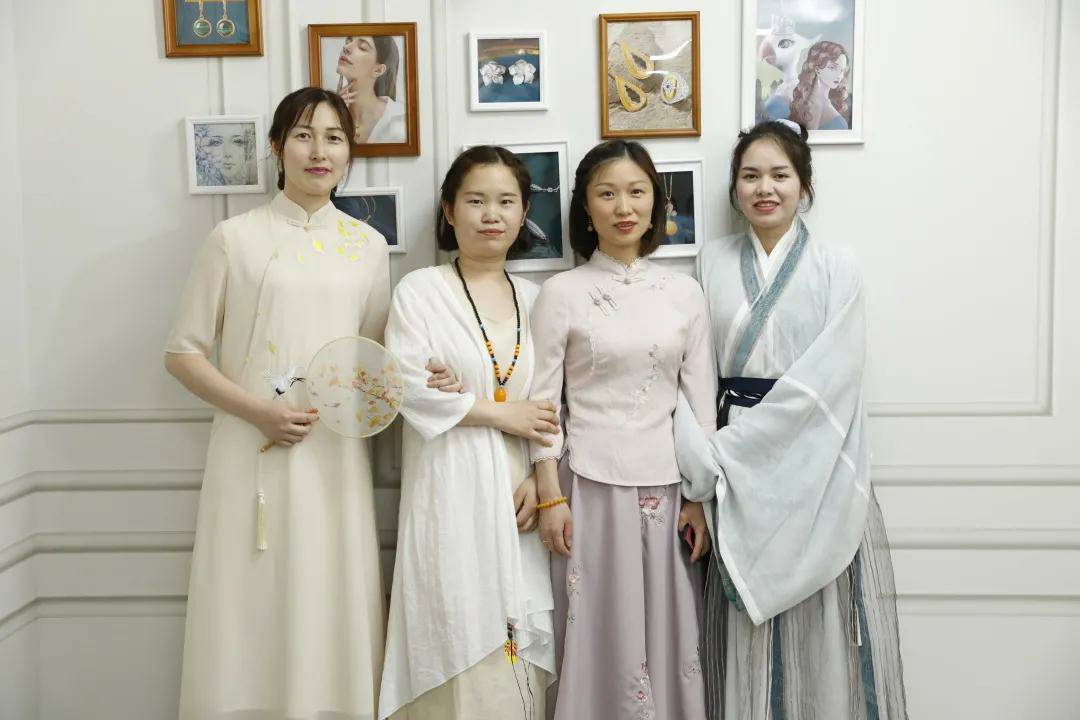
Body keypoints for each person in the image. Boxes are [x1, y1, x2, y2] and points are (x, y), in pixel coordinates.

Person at [165, 87, 390, 720]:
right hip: (250, 451)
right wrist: (258, 411)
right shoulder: (233, 239)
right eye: (303, 135)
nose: (319, 151)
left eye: (335, 138)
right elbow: (182, 353)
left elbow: (372, 360)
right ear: (276, 146)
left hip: (334, 457)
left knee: (328, 591)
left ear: (349, 153)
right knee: (248, 599)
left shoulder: (368, 246)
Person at [673, 119, 907, 719]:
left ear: (804, 185)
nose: (765, 188)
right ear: (733, 189)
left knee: (820, 632)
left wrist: (734, 447)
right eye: (750, 176)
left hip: (815, 462)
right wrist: (707, 468)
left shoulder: (837, 265)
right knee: (744, 633)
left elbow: (835, 377)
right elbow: (692, 370)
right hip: (733, 471)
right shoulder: (711, 262)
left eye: (780, 175)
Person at [529, 140, 715, 719]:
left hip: (669, 490)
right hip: (586, 488)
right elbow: (542, 405)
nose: (623, 207)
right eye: (606, 193)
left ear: (656, 203)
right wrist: (550, 495)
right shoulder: (562, 292)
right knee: (593, 628)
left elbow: (700, 407)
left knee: (668, 631)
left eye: (637, 192)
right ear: (586, 207)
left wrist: (700, 499)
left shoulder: (684, 292)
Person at [379, 146, 558, 719]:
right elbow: (406, 385)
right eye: (476, 200)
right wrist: (501, 413)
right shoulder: (420, 291)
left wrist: (539, 476)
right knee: (452, 626)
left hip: (517, 497)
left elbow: (554, 404)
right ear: (449, 210)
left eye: (506, 202)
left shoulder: (538, 300)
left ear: (524, 212)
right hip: (448, 491)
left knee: (514, 651)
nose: (491, 215)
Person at [336, 35, 406, 144]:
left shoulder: (399, 120)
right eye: (348, 41)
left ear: (378, 70)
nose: (346, 47)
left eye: (362, 47)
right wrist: (333, 113)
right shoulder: (333, 112)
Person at [789, 40, 852, 131]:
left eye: (842, 70)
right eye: (832, 67)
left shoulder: (839, 122)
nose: (839, 75)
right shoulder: (799, 103)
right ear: (817, 69)